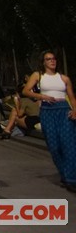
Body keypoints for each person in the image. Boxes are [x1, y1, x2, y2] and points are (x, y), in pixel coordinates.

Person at [22, 51, 76, 191]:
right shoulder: (38, 75)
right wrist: (42, 96)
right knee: (54, 146)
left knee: (68, 144)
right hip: (47, 111)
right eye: (48, 59)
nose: (52, 61)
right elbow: (26, 91)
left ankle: (71, 179)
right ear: (44, 62)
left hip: (63, 110)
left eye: (54, 59)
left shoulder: (64, 78)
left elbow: (72, 97)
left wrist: (75, 110)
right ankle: (64, 175)